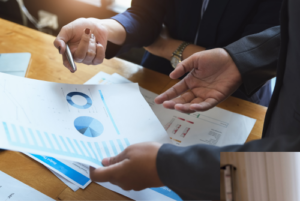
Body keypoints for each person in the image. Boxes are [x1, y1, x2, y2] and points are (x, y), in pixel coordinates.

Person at [88, 0, 300, 200]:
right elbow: (290, 31)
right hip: (165, 83)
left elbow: (286, 172)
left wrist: (168, 167)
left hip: (242, 109)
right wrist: (238, 58)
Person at [54, 0, 282, 107]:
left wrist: (165, 47)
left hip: (234, 97)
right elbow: (145, 14)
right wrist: (102, 28)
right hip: (157, 79)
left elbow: (251, 52)